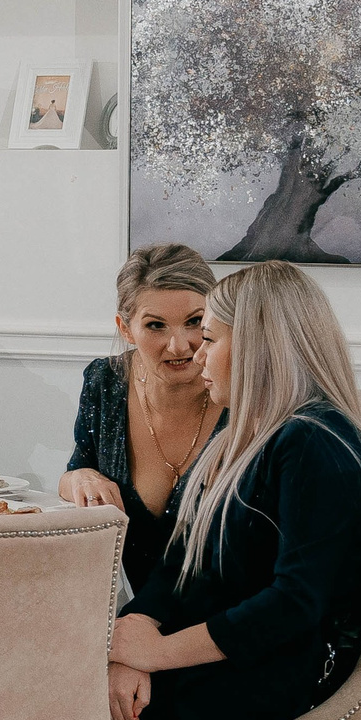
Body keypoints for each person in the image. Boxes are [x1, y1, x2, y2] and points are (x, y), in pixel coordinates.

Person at [107, 260, 361, 720]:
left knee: (46, 700)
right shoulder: (251, 432)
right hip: (245, 657)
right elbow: (185, 563)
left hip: (283, 676)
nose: (197, 356)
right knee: (53, 678)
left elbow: (295, 604)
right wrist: (136, 631)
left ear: (257, 348)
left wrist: (155, 655)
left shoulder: (314, 443)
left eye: (210, 339)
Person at [59, 244, 219, 591]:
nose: (179, 346)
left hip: (225, 619)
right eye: (156, 325)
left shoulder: (244, 393)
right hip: (122, 614)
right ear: (126, 328)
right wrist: (81, 478)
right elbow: (75, 472)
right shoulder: (106, 382)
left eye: (194, 322)